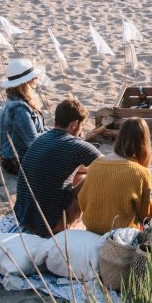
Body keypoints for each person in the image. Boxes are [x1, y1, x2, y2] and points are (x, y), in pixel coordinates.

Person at [12, 97, 101, 237]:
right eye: (81, 126)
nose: (81, 131)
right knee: (96, 176)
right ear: (73, 124)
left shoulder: (40, 139)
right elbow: (108, 166)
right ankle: (71, 223)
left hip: (24, 219)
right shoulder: (75, 145)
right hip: (50, 226)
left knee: (79, 176)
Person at [78, 118, 152, 234]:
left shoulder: (95, 164)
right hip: (121, 236)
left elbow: (82, 200)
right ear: (144, 142)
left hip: (92, 230)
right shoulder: (141, 173)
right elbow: (146, 215)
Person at [0, 58, 47, 175]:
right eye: (33, 77)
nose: (36, 79)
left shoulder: (15, 100)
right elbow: (34, 144)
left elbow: (39, 130)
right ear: (24, 83)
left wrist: (59, 132)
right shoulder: (19, 110)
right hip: (16, 162)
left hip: (14, 157)